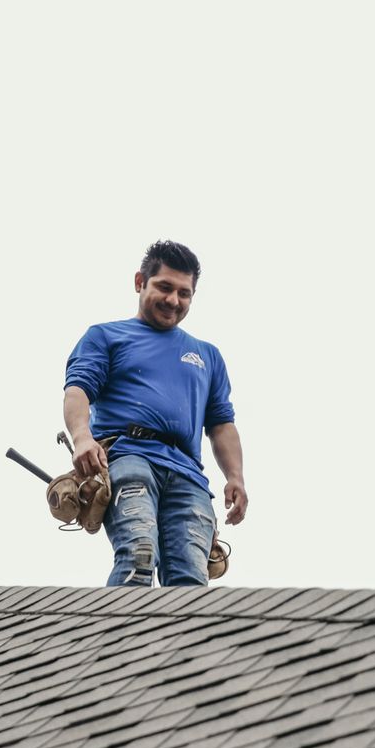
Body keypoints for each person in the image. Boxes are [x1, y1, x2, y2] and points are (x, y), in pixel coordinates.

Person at [63, 240, 247, 586]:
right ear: (139, 282)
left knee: (190, 580)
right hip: (129, 459)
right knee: (138, 553)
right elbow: (78, 390)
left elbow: (221, 424)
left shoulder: (207, 356)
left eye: (184, 293)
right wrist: (82, 438)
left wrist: (235, 477)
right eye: (164, 287)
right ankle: (116, 638)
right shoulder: (106, 336)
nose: (173, 300)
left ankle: (184, 642)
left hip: (189, 476)